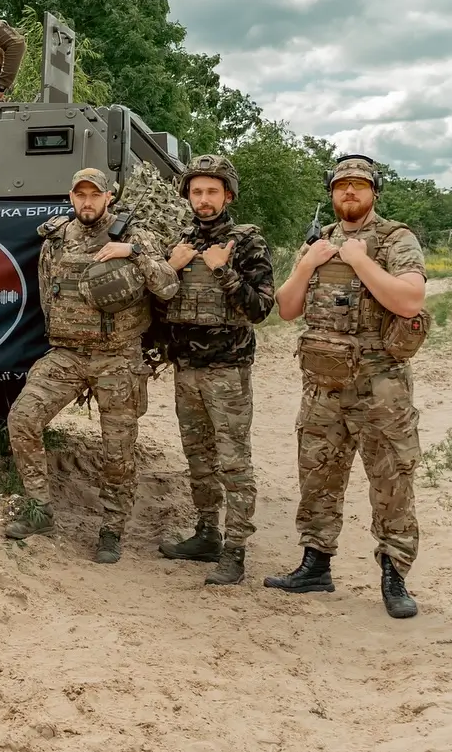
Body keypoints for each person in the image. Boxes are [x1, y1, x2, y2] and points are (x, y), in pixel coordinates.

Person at [267, 154, 428, 619]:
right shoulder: (319, 243)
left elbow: (411, 299)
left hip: (381, 391)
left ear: (374, 191)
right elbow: (287, 309)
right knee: (318, 477)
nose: (350, 193)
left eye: (359, 185)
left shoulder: (396, 239)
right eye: (341, 186)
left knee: (391, 482)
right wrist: (305, 265)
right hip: (323, 388)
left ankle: (394, 574)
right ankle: (315, 564)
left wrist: (360, 262)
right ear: (332, 194)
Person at [4, 168, 180, 564]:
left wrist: (133, 254)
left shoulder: (135, 235)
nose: (87, 202)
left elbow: (169, 285)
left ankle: (111, 531)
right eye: (80, 195)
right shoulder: (56, 237)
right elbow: (47, 293)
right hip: (66, 355)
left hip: (118, 358)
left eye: (94, 195)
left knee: (118, 451)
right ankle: (39, 510)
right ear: (70, 197)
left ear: (109, 198)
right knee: (22, 418)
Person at [154, 155, 276, 586]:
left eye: (212, 191)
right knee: (199, 459)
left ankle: (236, 549)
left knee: (233, 463)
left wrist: (223, 271)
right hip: (186, 367)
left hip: (227, 369)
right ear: (187, 195)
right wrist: (174, 266)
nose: (203, 200)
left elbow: (261, 308)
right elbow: (161, 303)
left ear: (228, 195)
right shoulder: (180, 241)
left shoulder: (247, 242)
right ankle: (206, 534)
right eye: (196, 191)